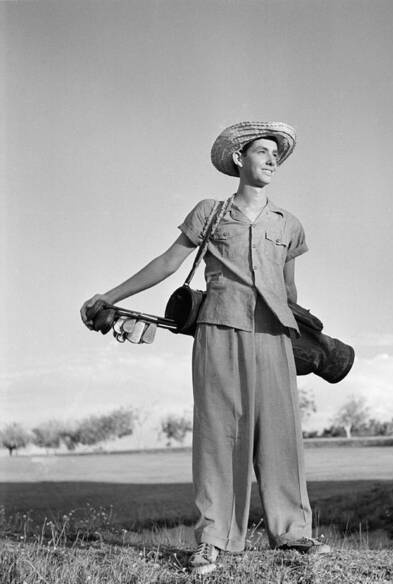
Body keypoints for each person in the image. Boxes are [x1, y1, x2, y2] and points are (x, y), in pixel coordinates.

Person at [80, 121, 330, 574]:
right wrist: (112, 298)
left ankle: (293, 534)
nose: (273, 159)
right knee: (219, 435)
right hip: (218, 331)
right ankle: (214, 539)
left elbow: (290, 291)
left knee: (280, 436)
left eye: (277, 154)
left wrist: (311, 338)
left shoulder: (288, 224)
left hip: (275, 338)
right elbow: (167, 262)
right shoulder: (210, 213)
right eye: (263, 151)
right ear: (239, 159)